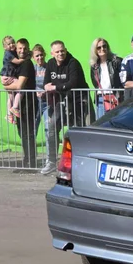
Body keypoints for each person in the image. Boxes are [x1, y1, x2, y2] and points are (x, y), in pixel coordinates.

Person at [43, 40, 90, 173]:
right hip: (61, 100)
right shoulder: (51, 64)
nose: (60, 53)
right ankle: (51, 161)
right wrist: (50, 87)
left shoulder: (73, 62)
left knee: (78, 130)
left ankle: (79, 162)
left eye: (62, 51)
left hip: (79, 100)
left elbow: (73, 83)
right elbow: (46, 83)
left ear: (66, 50)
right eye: (57, 52)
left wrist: (55, 87)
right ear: (52, 53)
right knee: (52, 126)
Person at [2, 39, 39, 168]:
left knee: (27, 133)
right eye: (19, 48)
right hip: (20, 104)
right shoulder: (15, 63)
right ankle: (27, 158)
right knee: (22, 132)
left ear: (28, 48)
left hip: (28, 103)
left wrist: (6, 87)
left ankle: (31, 160)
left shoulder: (26, 64)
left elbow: (19, 85)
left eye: (24, 48)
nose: (22, 51)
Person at [89, 38, 124, 119]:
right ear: (95, 50)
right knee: (101, 125)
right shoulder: (94, 66)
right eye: (99, 47)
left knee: (116, 122)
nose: (102, 49)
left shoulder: (117, 61)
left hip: (115, 96)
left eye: (104, 46)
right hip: (101, 98)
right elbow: (95, 83)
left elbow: (123, 79)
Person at [0, 36, 25, 125]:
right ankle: (15, 107)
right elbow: (17, 62)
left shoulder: (13, 52)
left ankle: (9, 114)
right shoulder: (8, 54)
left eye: (13, 42)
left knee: (11, 96)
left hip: (10, 74)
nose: (11, 45)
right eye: (8, 44)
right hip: (8, 75)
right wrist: (25, 59)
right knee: (21, 89)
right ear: (4, 47)